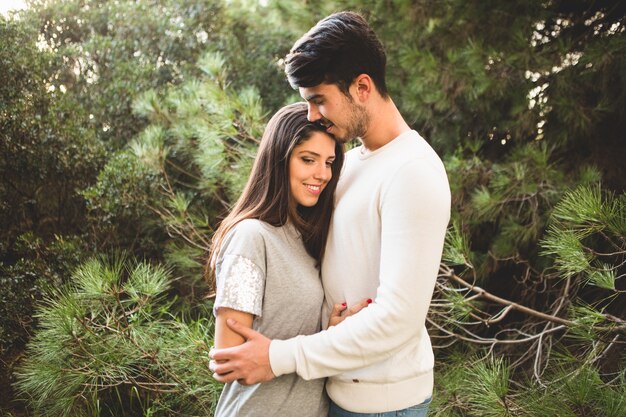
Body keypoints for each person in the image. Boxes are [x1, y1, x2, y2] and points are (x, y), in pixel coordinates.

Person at [209, 11, 451, 417]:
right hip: (330, 394)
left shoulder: (414, 171)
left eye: (318, 100)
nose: (311, 116)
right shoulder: (347, 163)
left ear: (361, 87)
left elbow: (397, 319)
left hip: (384, 404)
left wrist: (280, 356)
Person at [208, 102, 345, 416]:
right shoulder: (251, 237)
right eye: (308, 159)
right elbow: (229, 361)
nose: (322, 174)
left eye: (329, 162)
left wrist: (329, 335)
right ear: (278, 160)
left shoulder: (303, 237)